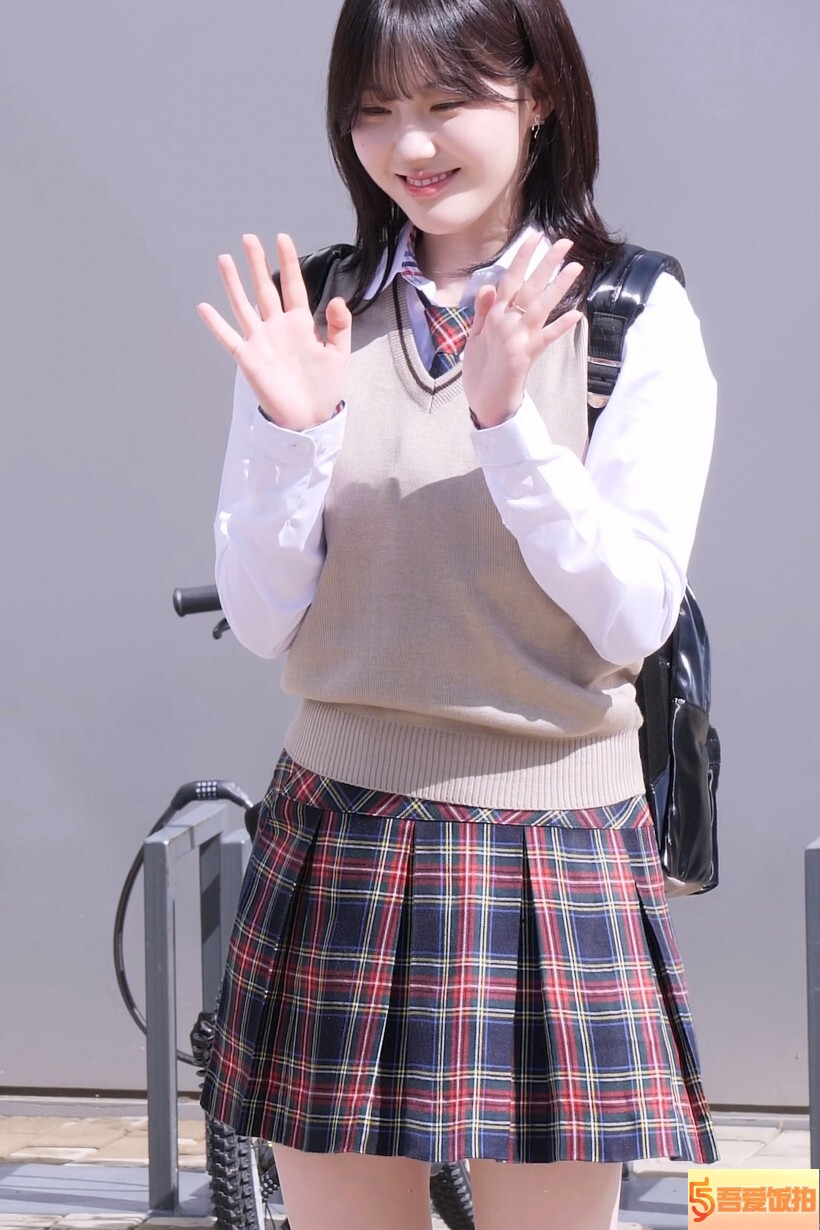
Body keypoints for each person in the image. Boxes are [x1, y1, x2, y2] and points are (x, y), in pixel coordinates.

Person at [196, 0, 719, 1226]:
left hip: (555, 843)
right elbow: (264, 621)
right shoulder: (316, 312)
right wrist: (291, 433)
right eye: (375, 110)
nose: (410, 144)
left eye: (446, 103)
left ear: (539, 98)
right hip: (340, 832)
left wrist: (506, 427)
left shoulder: (629, 312)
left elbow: (632, 615)